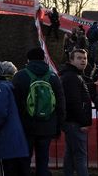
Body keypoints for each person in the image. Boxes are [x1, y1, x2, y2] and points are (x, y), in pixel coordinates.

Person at [12, 47, 66, 176]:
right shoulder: (53, 76)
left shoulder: (20, 76)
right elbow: (60, 103)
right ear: (43, 58)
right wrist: (58, 126)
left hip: (26, 126)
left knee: (25, 158)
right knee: (43, 159)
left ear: (28, 59)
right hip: (48, 126)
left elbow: (14, 103)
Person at [0, 60, 30, 176]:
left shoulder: (1, 88)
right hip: (13, 138)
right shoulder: (1, 87)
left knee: (11, 169)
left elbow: (1, 113)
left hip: (9, 137)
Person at [59, 49, 92, 176]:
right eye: (79, 58)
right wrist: (83, 122)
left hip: (71, 122)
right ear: (71, 60)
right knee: (80, 156)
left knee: (71, 153)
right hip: (75, 123)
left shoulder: (73, 75)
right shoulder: (72, 77)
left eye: (84, 58)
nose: (83, 60)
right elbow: (74, 102)